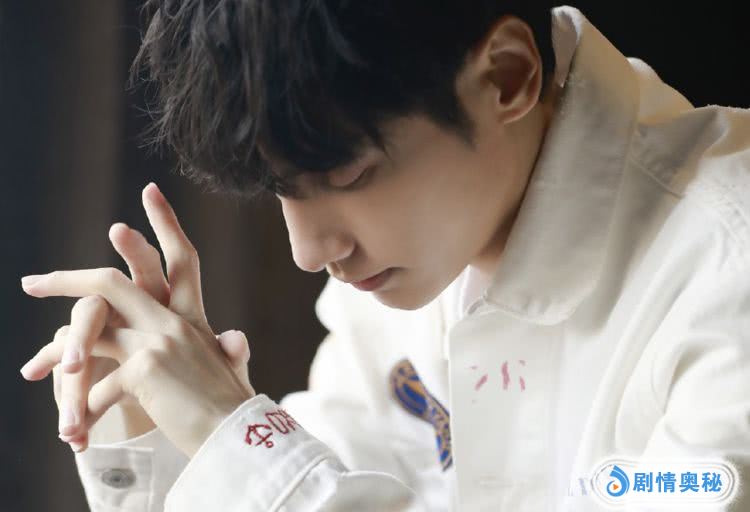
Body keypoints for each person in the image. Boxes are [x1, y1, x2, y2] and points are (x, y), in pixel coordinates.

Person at [18, 2, 750, 510]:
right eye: (279, 191)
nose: (310, 252)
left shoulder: (726, 271)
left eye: (347, 175)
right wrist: (158, 420)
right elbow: (326, 484)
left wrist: (231, 435)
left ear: (506, 77)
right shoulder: (410, 271)